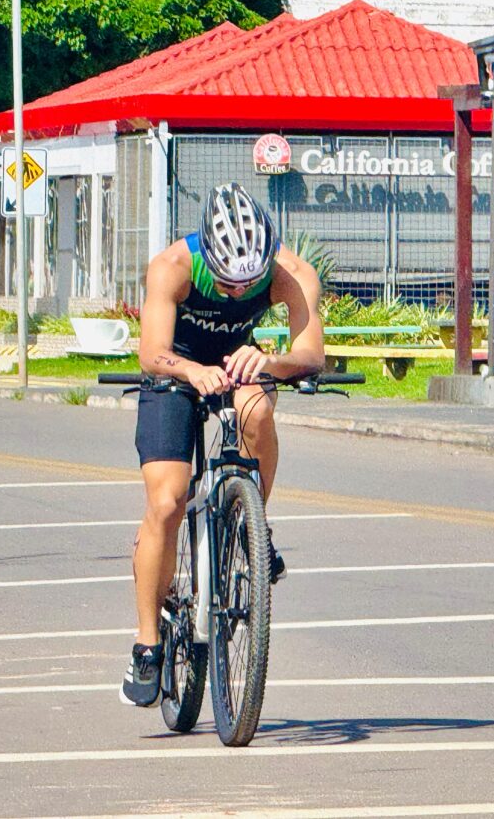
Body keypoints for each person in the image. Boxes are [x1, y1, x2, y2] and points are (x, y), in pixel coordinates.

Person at [120, 182, 324, 708]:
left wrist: (270, 361)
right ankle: (147, 643)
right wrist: (192, 371)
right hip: (176, 369)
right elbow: (151, 353)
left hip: (238, 363)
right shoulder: (173, 267)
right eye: (229, 281)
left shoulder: (292, 273)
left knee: (258, 407)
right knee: (167, 501)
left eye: (249, 283)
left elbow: (311, 355)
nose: (238, 292)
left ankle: (252, 525)